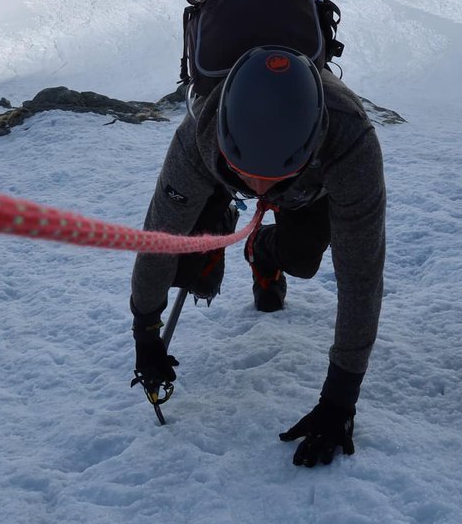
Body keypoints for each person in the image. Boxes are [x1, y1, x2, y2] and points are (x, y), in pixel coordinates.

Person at [130, 44, 386, 467]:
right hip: (218, 177)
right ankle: (223, 216)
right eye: (252, 177)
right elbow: (159, 240)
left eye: (273, 179)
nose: (262, 190)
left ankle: (260, 249)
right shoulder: (197, 138)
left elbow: (361, 275)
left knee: (303, 262)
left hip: (310, 187)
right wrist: (145, 333)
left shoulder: (350, 145)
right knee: (193, 271)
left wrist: (340, 400)